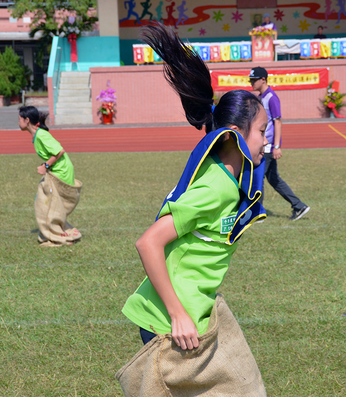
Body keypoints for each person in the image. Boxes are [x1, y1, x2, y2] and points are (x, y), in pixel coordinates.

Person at [118, 23, 268, 395]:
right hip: (169, 321)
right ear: (237, 132)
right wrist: (178, 314)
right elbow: (148, 242)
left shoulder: (229, 181)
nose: (268, 140)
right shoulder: (217, 186)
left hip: (190, 311)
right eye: (263, 130)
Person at [250, 66, 310, 221]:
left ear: (263, 79)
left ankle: (258, 214)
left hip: (268, 146)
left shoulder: (271, 97)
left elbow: (278, 121)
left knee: (258, 177)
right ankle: (299, 206)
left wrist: (277, 146)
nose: (251, 83)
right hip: (265, 145)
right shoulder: (261, 97)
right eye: (251, 80)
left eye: (254, 80)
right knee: (274, 179)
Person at [18, 106, 82, 246]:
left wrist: (45, 166)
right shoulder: (38, 135)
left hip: (61, 172)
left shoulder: (41, 135)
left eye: (19, 119)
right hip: (56, 170)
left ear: (27, 120)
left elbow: (59, 151)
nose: (18, 122)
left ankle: (59, 236)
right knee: (45, 201)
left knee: (49, 203)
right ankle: (59, 232)